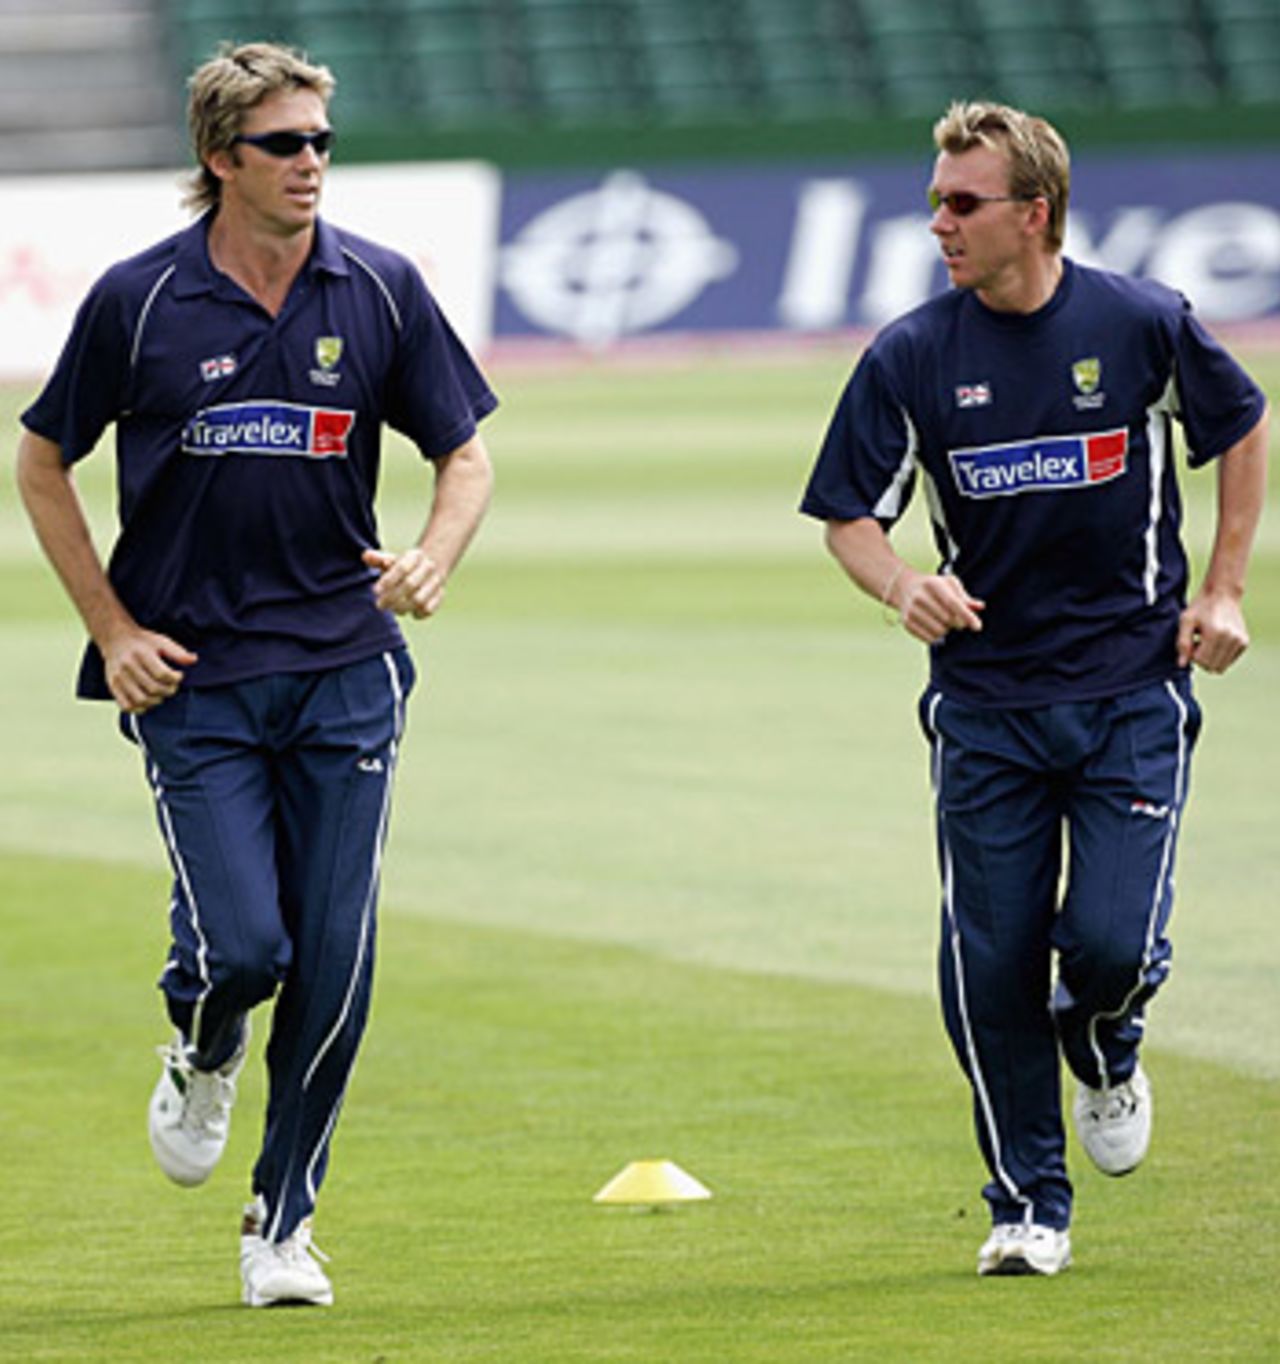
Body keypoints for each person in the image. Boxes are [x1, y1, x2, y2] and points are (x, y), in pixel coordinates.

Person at [16, 42, 495, 1307]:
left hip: (346, 668)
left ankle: (281, 1222)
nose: (312, 165)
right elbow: (41, 461)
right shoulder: (142, 301)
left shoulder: (379, 289)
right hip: (196, 681)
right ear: (220, 158)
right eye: (286, 145)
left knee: (334, 960)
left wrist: (434, 559)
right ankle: (203, 1033)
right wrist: (113, 629)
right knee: (245, 946)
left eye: (323, 142)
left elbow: (466, 455)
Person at [801, 100, 1268, 1277]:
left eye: (962, 203)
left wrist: (1220, 588)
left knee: (1103, 944)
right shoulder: (910, 354)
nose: (937, 223)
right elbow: (848, 519)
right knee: (988, 956)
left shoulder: (1139, 321)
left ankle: (1104, 1035)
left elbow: (1240, 425)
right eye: (932, 201)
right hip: (984, 705)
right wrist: (900, 584)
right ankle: (1025, 1199)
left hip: (1127, 691)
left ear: (1034, 214)